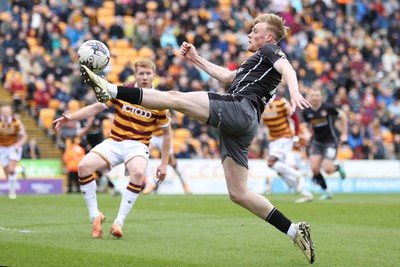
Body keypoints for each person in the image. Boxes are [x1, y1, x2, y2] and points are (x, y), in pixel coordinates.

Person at [81, 14, 315, 263]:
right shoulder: (256, 62)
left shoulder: (270, 49)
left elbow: (287, 67)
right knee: (238, 193)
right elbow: (226, 77)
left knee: (174, 98)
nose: (249, 34)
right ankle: (293, 230)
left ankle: (111, 89)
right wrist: (195, 58)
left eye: (255, 30)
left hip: (241, 109)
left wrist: (294, 90)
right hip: (245, 124)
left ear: (268, 37)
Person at [54, 59, 171, 239]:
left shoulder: (159, 101)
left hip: (137, 146)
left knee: (138, 173)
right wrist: (70, 118)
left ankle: (118, 222)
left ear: (154, 75)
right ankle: (95, 215)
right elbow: (96, 107)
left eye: (148, 74)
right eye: (141, 73)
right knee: (83, 167)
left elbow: (167, 134)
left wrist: (164, 164)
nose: (145, 77)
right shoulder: (123, 91)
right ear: (135, 75)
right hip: (114, 141)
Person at [261, 95, 313, 203]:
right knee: (279, 170)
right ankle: (305, 193)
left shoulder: (281, 102)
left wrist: (297, 135)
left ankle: (297, 174)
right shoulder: (261, 103)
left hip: (285, 137)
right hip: (273, 140)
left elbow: (296, 118)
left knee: (271, 162)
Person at [302, 87, 348, 200]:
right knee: (314, 168)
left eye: (316, 95)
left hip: (331, 141)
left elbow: (343, 116)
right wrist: (306, 133)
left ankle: (337, 167)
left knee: (328, 169)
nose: (314, 97)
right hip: (318, 142)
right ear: (309, 97)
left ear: (320, 97)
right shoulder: (306, 111)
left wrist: (344, 133)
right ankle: (327, 192)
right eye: (312, 95)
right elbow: (306, 125)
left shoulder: (328, 108)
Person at [142, 122, 191, 194]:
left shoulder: (163, 111)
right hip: (151, 136)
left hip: (163, 136)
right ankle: (150, 183)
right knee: (143, 154)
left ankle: (185, 184)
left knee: (172, 162)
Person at [0, 105, 28, 199]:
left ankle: (12, 192)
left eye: (7, 112)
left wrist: (18, 145)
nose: (6, 113)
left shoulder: (16, 122)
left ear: (10, 112)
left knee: (11, 169)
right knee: (7, 173)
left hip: (13, 147)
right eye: (4, 112)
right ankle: (21, 170)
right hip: (2, 149)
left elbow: (24, 136)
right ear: (1, 112)